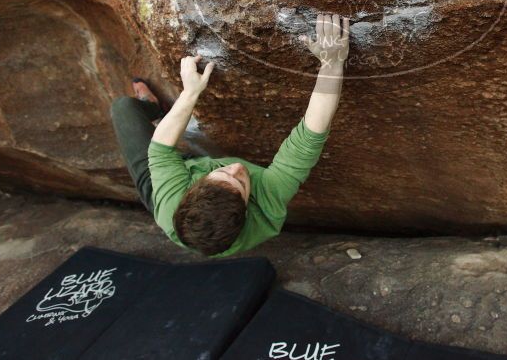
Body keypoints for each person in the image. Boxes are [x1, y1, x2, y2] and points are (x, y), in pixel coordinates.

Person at [110, 14, 349, 257]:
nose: (236, 167)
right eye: (241, 183)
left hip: (168, 186)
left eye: (223, 174)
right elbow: (309, 136)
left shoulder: (170, 198)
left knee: (123, 108)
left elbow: (160, 148)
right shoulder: (266, 203)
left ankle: (151, 106)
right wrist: (333, 63)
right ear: (247, 209)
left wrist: (191, 91)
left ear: (192, 190)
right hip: (188, 181)